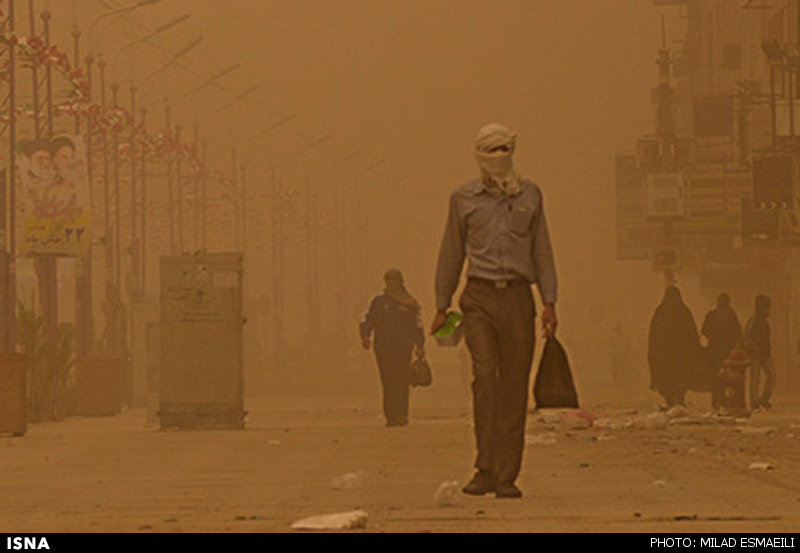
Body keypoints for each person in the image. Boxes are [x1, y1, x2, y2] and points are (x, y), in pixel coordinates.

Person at [431, 123, 558, 499]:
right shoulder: (463, 199)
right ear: (480, 155)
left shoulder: (530, 196)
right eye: (493, 150)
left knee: (514, 386)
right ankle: (484, 466)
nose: (500, 156)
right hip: (479, 298)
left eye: (506, 149)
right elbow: (451, 252)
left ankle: (507, 475)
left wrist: (549, 301)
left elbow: (543, 252)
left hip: (519, 298)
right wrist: (442, 304)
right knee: (485, 379)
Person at [359, 269, 425, 427]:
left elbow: (417, 325)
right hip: (383, 347)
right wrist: (365, 335)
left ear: (400, 281)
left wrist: (420, 344)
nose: (392, 283)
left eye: (395, 280)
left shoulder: (410, 304)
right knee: (388, 381)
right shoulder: (379, 302)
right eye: (389, 280)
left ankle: (402, 414)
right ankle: (391, 415)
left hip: (404, 347)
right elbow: (369, 320)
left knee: (402, 380)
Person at [647, 285, 702, 408]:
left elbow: (654, 335)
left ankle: (669, 399)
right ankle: (679, 397)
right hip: (681, 355)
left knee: (667, 378)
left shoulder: (660, 312)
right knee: (680, 378)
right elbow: (691, 334)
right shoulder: (683, 312)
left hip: (664, 355)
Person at [701, 293, 742, 410]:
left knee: (715, 375)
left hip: (714, 350)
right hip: (728, 351)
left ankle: (716, 401)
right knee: (728, 377)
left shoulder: (711, 315)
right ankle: (727, 400)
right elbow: (737, 331)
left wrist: (713, 337)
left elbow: (704, 330)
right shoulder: (731, 315)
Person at [745, 294, 775, 410]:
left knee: (772, 376)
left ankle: (763, 399)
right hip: (755, 355)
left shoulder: (765, 323)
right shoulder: (753, 321)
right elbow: (746, 336)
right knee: (755, 379)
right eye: (767, 307)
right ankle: (754, 402)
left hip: (766, 354)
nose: (768, 310)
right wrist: (754, 348)